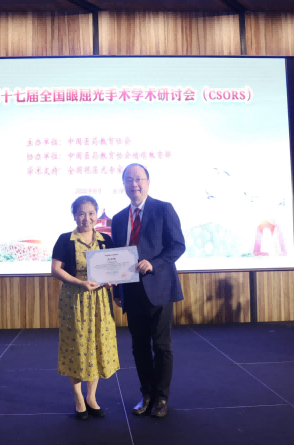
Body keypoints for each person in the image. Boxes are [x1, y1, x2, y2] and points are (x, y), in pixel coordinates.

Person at [111, 163, 185, 418]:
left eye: (139, 179)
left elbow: (178, 246)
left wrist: (154, 263)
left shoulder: (164, 209)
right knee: (139, 346)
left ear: (148, 182)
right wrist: (117, 290)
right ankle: (147, 394)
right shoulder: (119, 218)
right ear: (123, 184)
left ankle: (162, 397)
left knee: (161, 346)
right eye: (129, 180)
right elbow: (116, 256)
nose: (134, 184)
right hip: (131, 292)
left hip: (160, 288)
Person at [51, 195, 120, 421]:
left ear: (96, 215)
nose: (86, 218)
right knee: (76, 347)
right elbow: (55, 270)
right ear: (74, 216)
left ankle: (92, 397)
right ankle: (78, 398)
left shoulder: (105, 240)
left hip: (100, 301)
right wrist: (80, 283)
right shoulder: (65, 239)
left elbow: (113, 269)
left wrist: (111, 280)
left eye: (91, 213)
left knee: (96, 346)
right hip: (74, 299)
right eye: (81, 213)